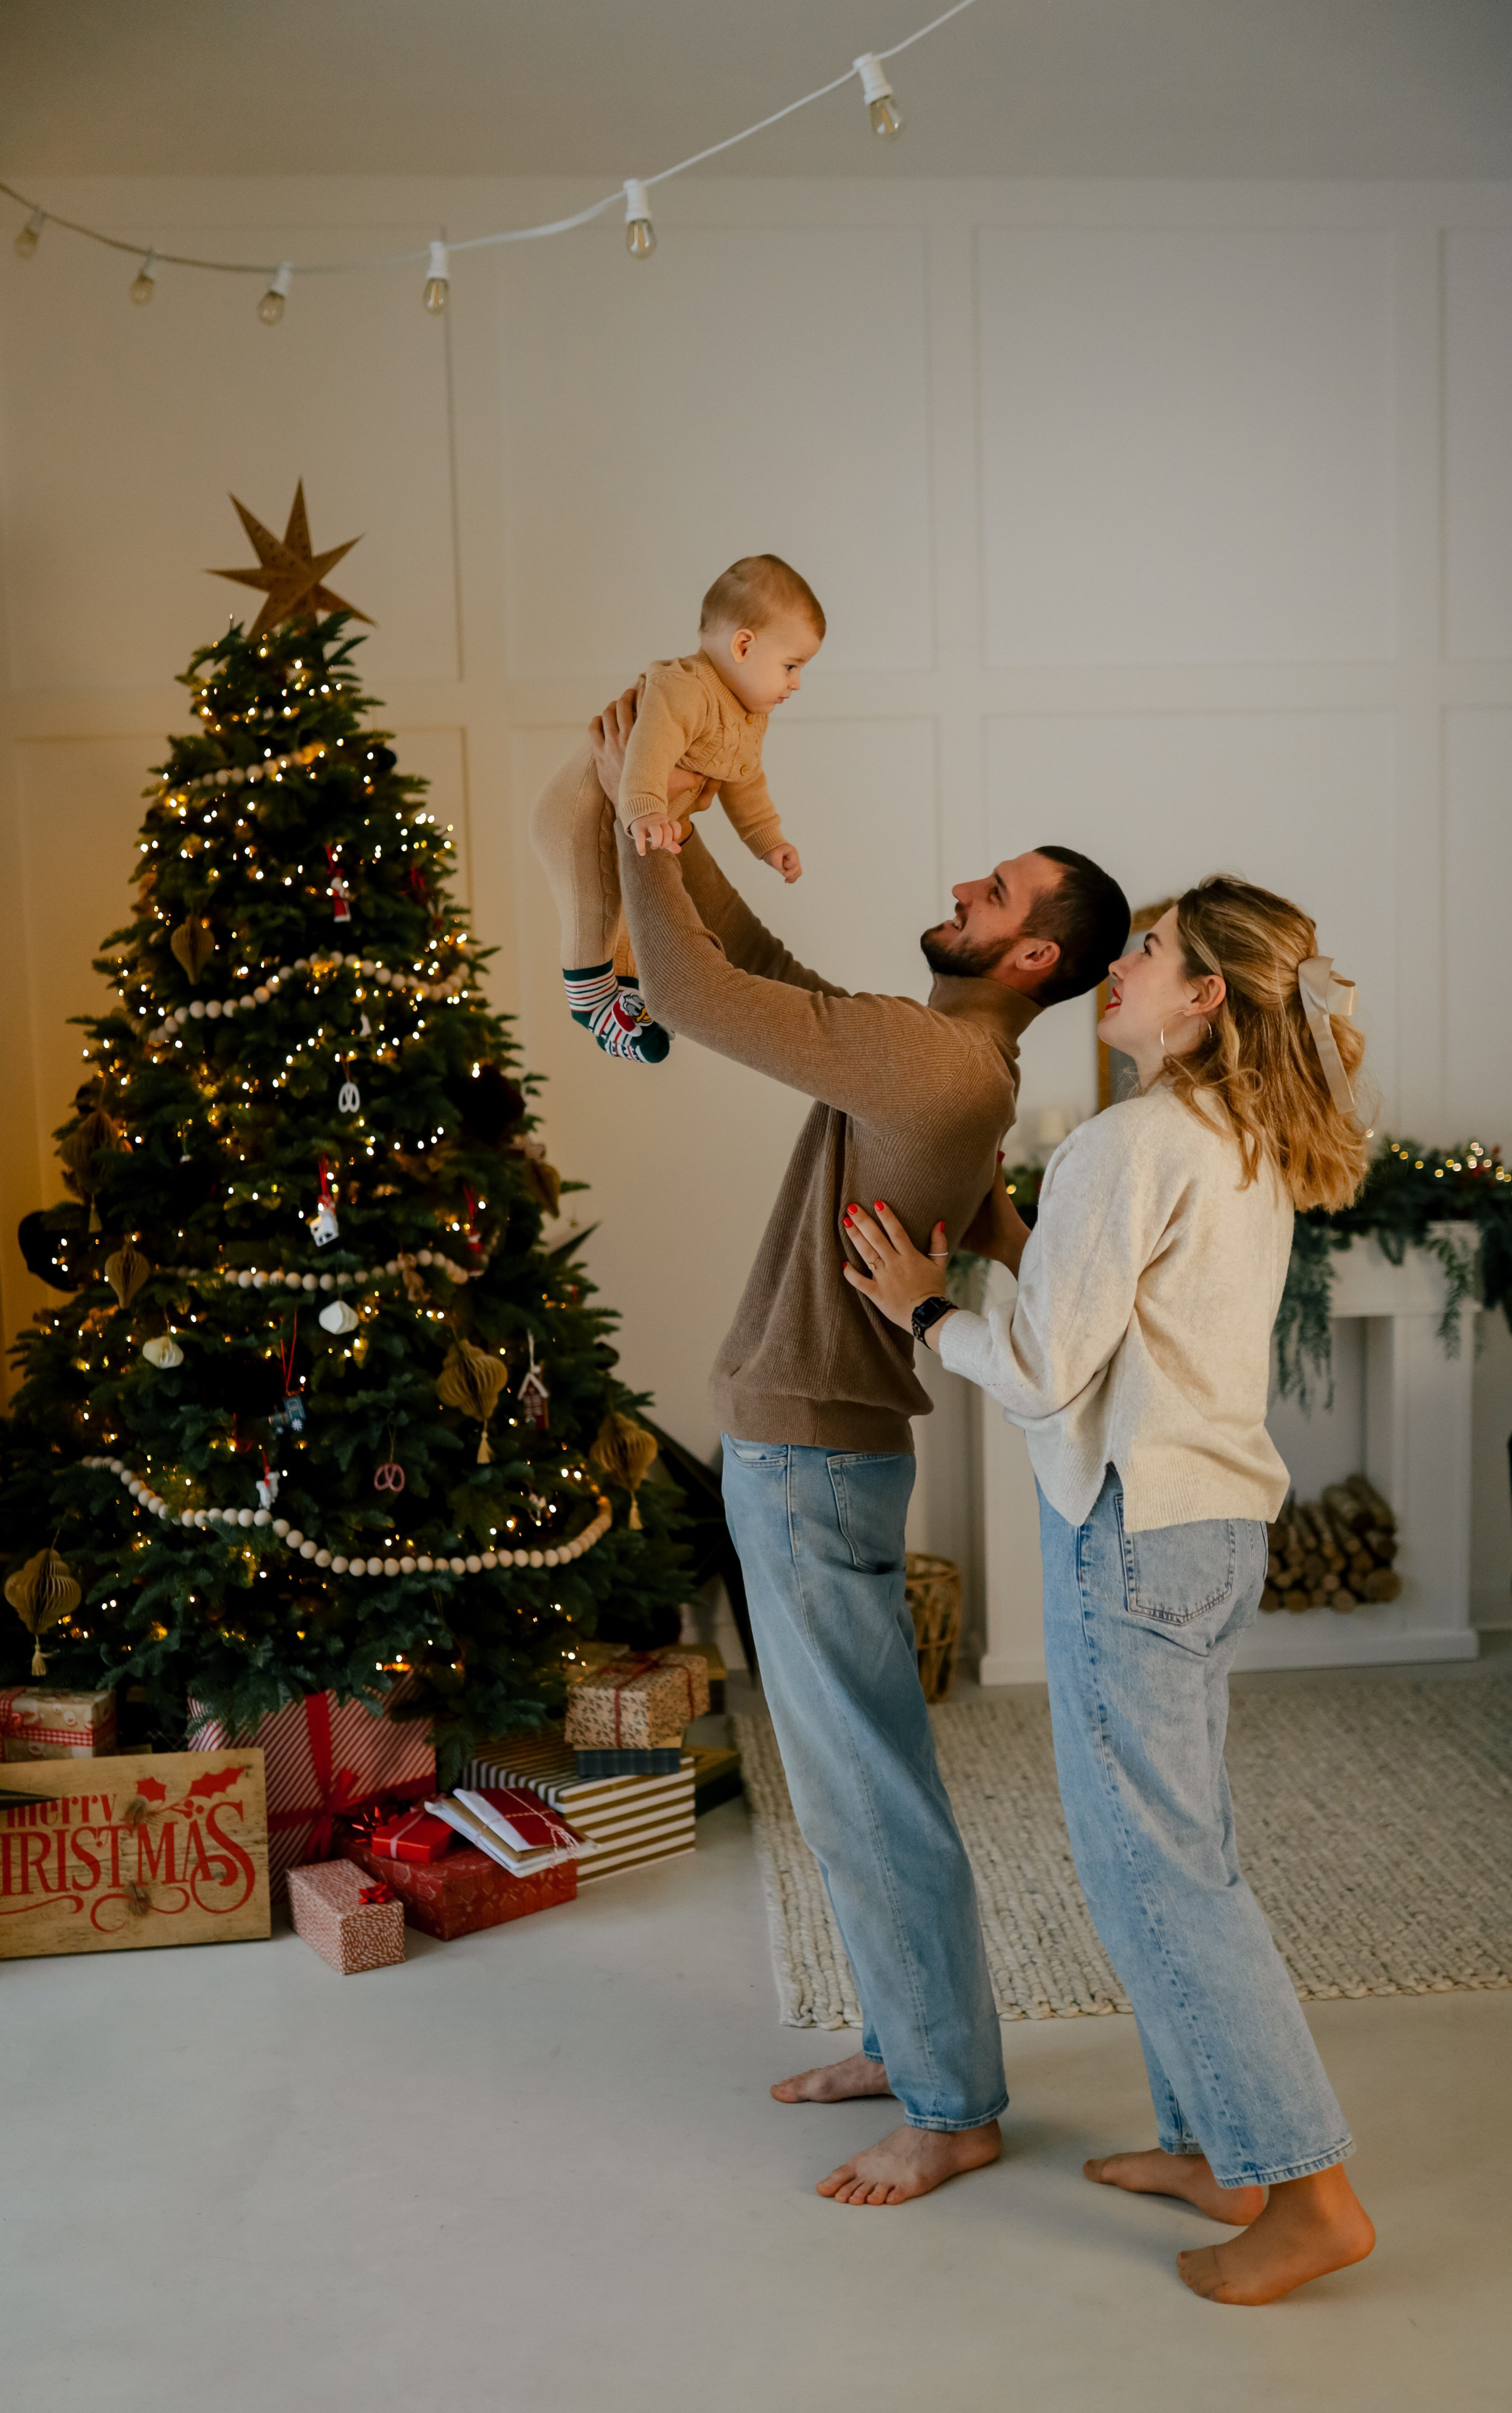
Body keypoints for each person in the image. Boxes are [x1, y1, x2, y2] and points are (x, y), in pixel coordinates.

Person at [588, 688, 1129, 2206]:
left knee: (860, 1784)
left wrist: (639, 819)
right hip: (811, 1447)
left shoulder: (939, 1068)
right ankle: (909, 2043)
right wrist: (672, 830)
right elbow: (755, 969)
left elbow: (695, 999)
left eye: (998, 892)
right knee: (843, 1778)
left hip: (811, 1453)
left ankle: (948, 2102)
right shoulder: (926, 1052)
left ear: (1032, 956)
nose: (965, 883)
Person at [841, 876, 1379, 2300]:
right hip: (1209, 1536)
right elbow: (1129, 1316)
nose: (1121, 969)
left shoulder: (1133, 1137)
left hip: (1133, 1539)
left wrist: (922, 1305)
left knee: (1156, 1876)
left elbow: (1036, 1372)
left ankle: (1308, 2191)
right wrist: (1017, 1243)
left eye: (1146, 951)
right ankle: (1216, 2147)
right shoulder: (1231, 1134)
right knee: (1182, 1849)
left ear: (1204, 995)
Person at [530, 555, 822, 1063]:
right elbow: (647, 752)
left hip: (628, 816)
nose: (795, 683)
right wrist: (642, 810)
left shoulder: (747, 714)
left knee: (626, 915)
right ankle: (591, 1004)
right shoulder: (685, 688)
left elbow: (745, 780)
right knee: (595, 909)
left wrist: (768, 841)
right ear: (744, 645)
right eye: (791, 666)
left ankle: (625, 997)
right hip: (581, 815)